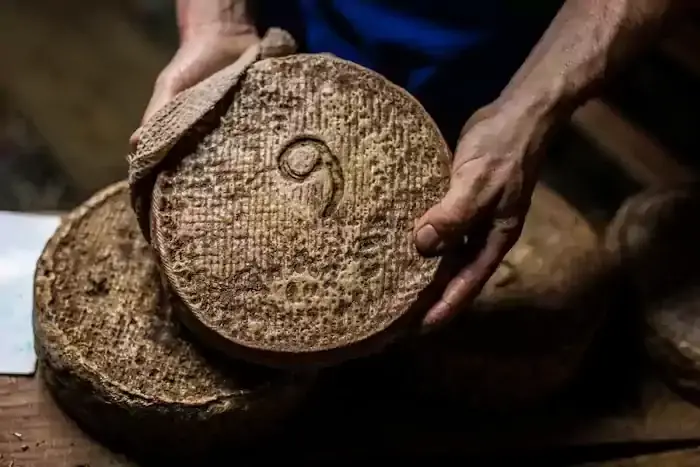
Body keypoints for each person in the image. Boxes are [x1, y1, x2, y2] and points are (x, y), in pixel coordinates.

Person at [132, 0, 686, 331]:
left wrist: (531, 107)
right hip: (302, 17)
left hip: (490, 54)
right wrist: (219, 24)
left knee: (403, 276)